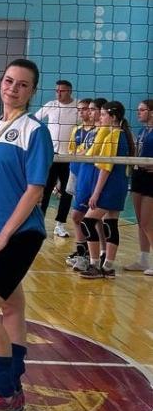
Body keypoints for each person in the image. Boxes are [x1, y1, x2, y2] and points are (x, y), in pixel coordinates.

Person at [0, 59, 53, 411]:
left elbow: (35, 189)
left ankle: (3, 395)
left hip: (18, 234)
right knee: (12, 306)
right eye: (8, 81)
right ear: (0, 84)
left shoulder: (35, 131)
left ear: (32, 91)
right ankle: (15, 385)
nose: (13, 88)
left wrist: (4, 235)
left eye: (22, 84)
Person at [79, 101, 135, 279]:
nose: (100, 117)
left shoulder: (113, 135)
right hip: (119, 186)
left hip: (109, 186)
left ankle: (95, 264)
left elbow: (105, 167)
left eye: (103, 114)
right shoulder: (122, 134)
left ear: (113, 117)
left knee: (87, 222)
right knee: (110, 224)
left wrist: (96, 193)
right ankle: (108, 267)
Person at [35, 79, 79, 238]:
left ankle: (60, 225)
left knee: (67, 193)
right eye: (57, 91)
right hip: (52, 157)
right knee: (45, 191)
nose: (58, 94)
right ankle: (38, 223)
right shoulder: (51, 105)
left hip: (69, 158)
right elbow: (34, 120)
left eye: (62, 91)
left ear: (70, 91)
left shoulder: (78, 106)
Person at [64, 98, 94, 270]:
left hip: (89, 176)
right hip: (75, 173)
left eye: (84, 109)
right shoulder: (76, 129)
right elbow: (71, 151)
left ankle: (89, 254)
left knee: (81, 216)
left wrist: (82, 152)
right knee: (77, 216)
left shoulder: (97, 131)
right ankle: (82, 251)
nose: (81, 112)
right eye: (79, 109)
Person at [124, 99, 153, 274]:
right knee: (141, 222)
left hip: (151, 179)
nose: (138, 113)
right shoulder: (142, 131)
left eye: (142, 110)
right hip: (138, 176)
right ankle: (143, 260)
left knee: (148, 221)